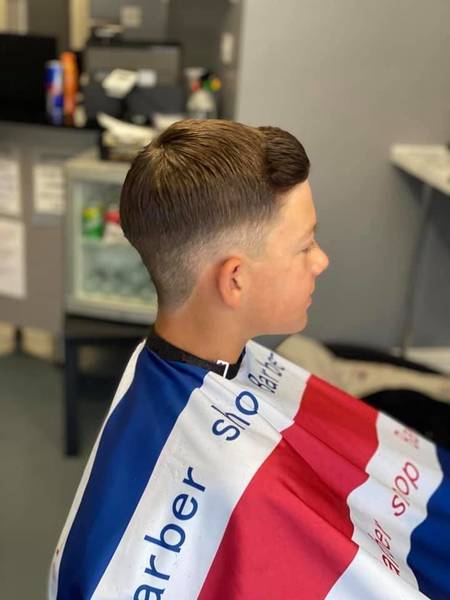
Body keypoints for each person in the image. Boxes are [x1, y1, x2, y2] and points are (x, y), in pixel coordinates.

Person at [49, 120, 450, 600]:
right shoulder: (240, 485)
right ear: (235, 279)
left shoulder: (160, 367)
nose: (320, 260)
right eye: (305, 245)